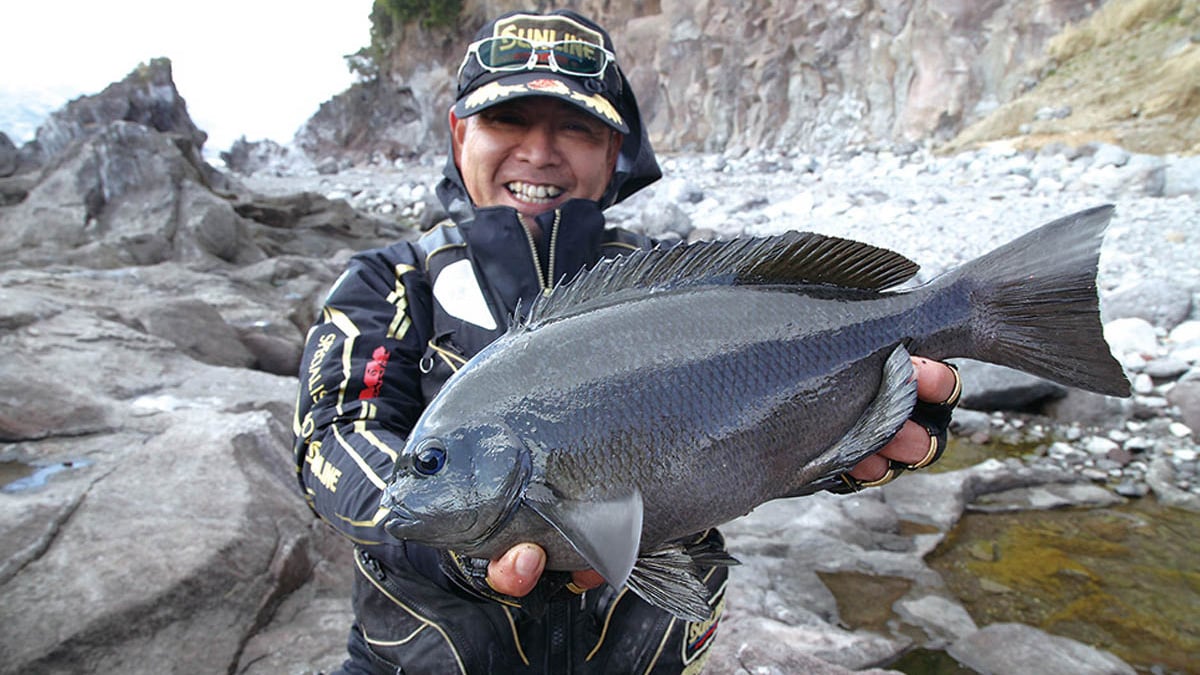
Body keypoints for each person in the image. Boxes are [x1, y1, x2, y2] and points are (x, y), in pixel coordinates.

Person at [293, 9, 963, 674]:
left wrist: (848, 440)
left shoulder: (684, 283)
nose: (538, 151)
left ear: (615, 151)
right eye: (508, 120)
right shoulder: (390, 279)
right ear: (459, 132)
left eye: (576, 127)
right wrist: (455, 548)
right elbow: (334, 430)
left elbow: (748, 436)